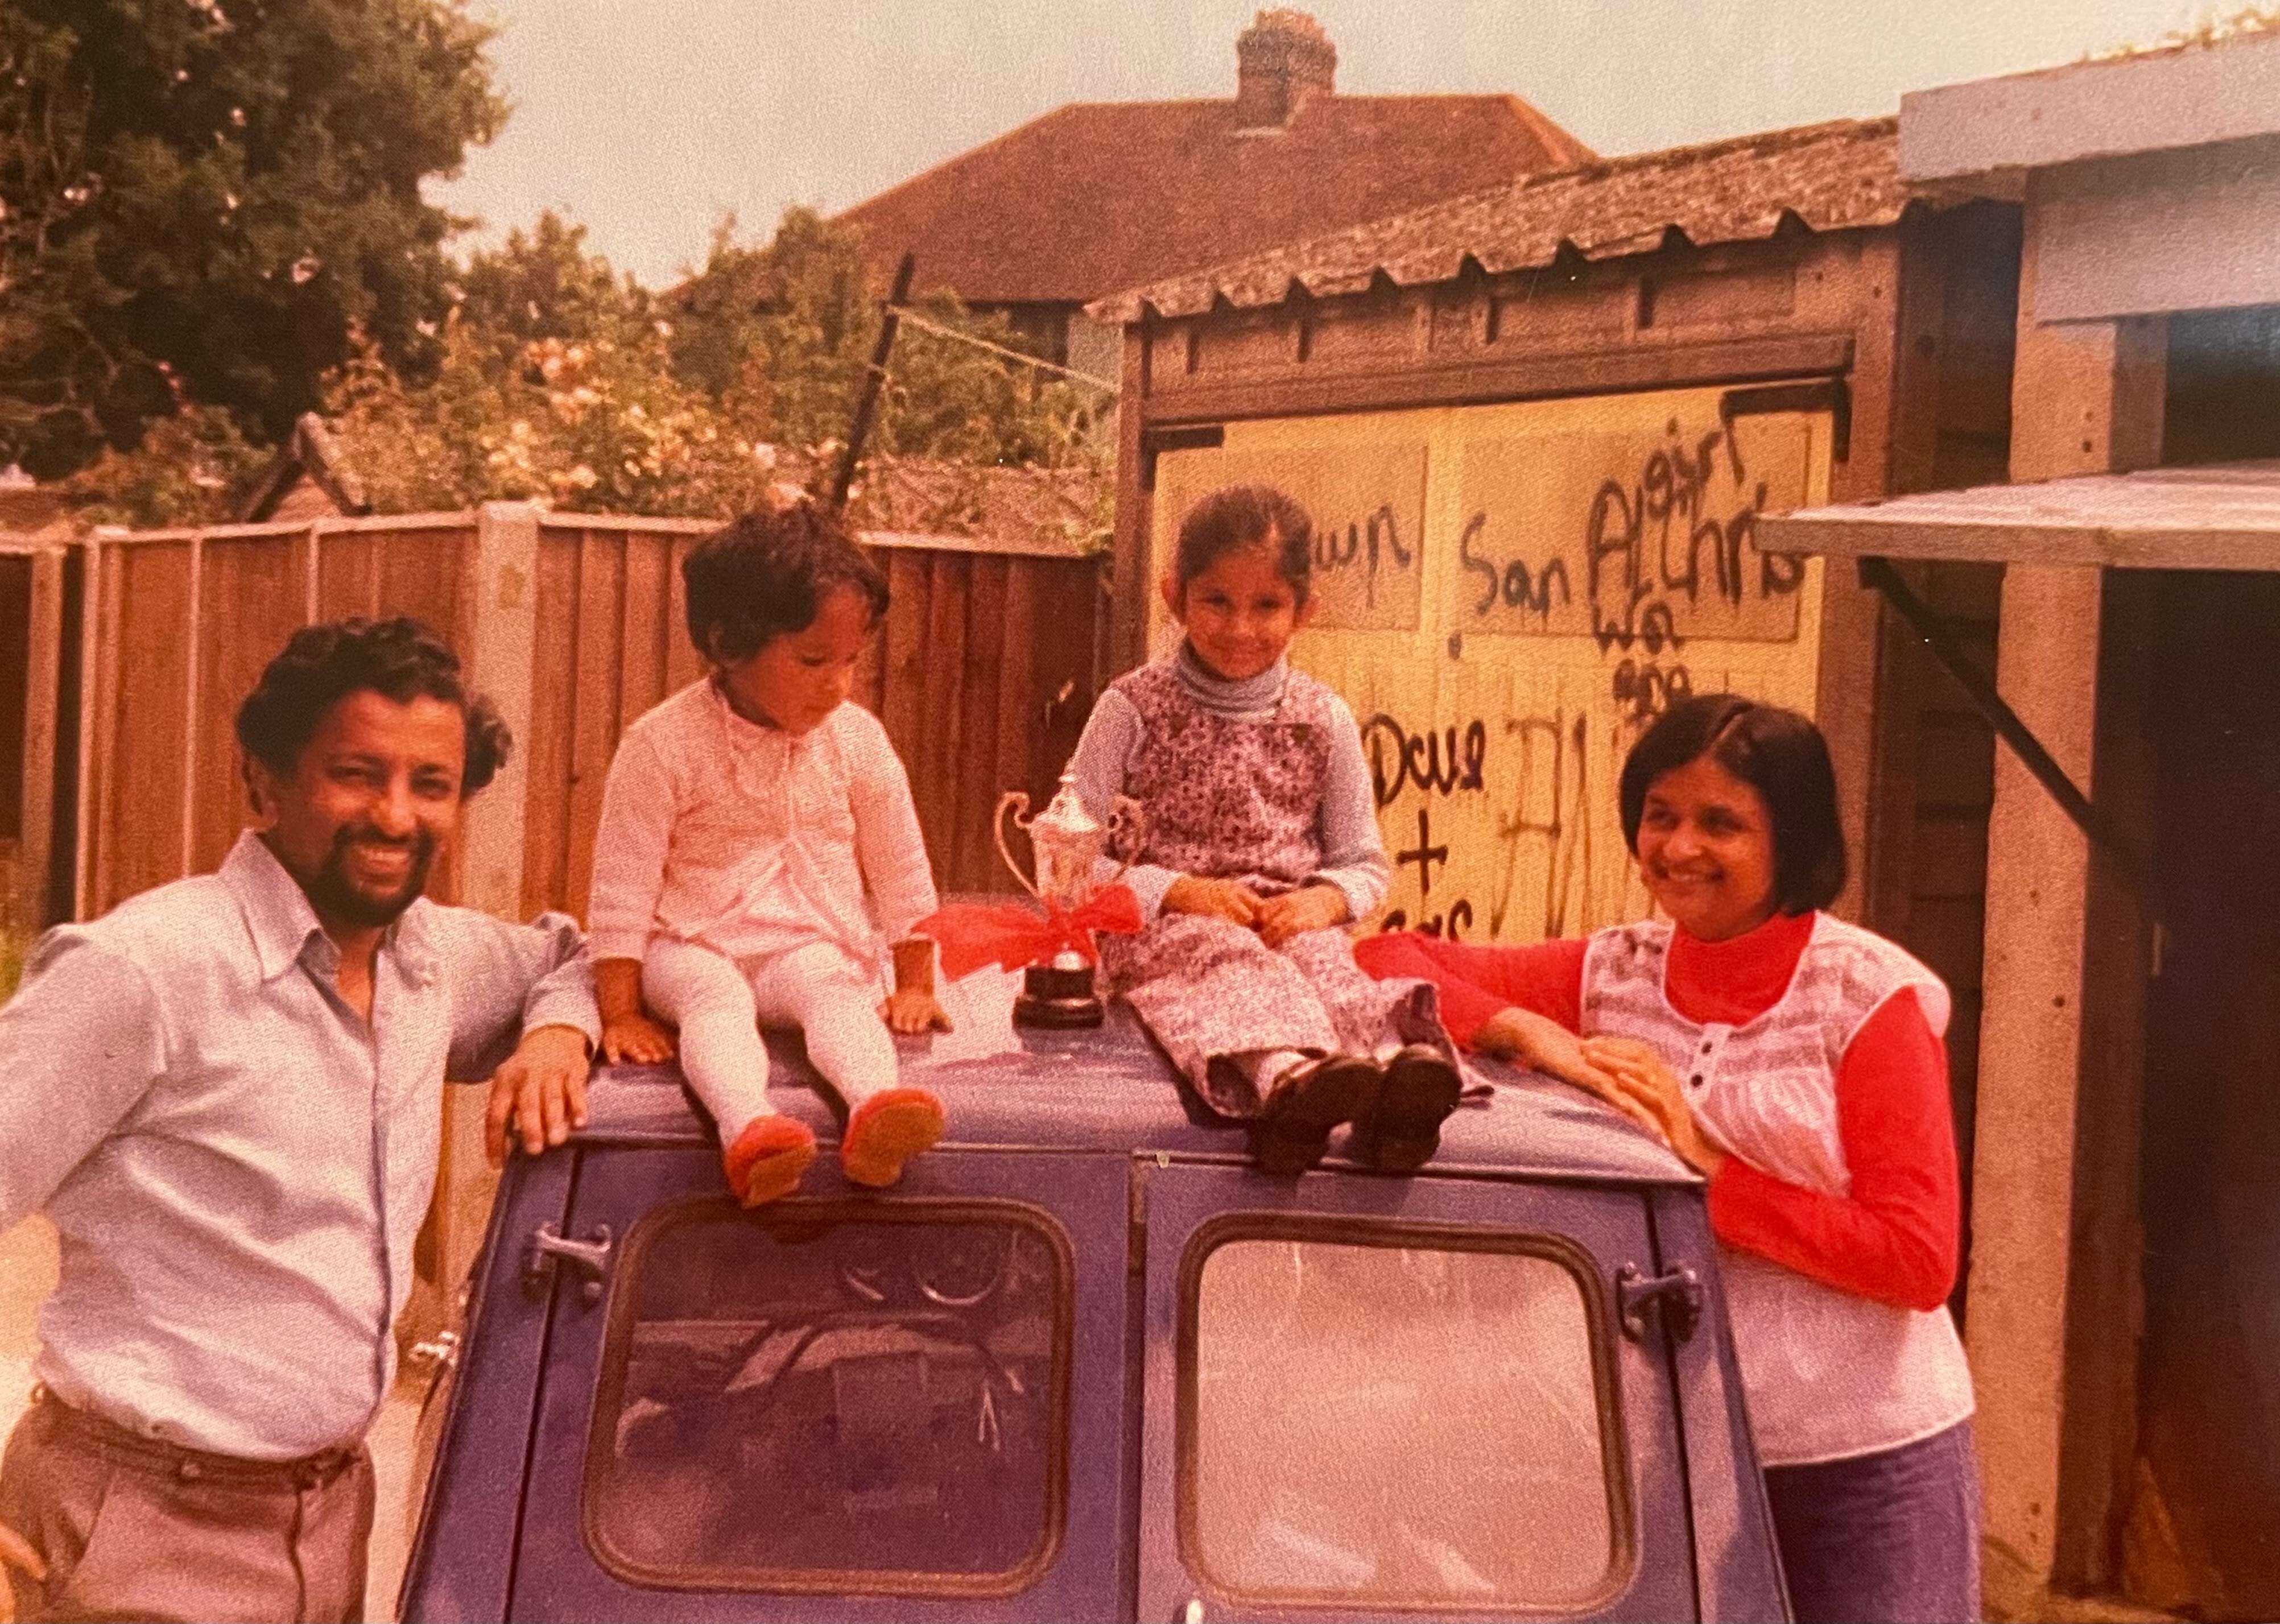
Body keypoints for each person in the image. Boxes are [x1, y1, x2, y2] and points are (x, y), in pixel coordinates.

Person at [0, 617, 599, 1624]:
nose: (395, 816)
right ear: (266, 780)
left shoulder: (432, 962)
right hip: (131, 1532)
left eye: (431, 785)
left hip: (329, 1525)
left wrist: (556, 1040)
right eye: (356, 774)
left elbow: (575, 962)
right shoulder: (144, 969)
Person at [1356, 693, 1980, 1624]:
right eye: (1660, 815)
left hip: (1864, 1464)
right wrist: (1519, 1026)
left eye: (1720, 823)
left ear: (1791, 837)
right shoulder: (1613, 972)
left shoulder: (1866, 998)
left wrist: (1709, 1174)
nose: (1679, 847)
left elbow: (1917, 1261)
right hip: (1674, 1457)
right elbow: (1380, 958)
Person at [1069, 482, 1460, 1175]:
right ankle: (1287, 1082)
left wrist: (1325, 900)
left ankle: (1396, 1087)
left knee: (1324, 963)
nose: (1240, 627)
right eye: (1217, 601)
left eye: (1267, 605)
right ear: (1175, 595)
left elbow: (1365, 862)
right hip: (1164, 932)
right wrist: (1178, 889)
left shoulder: (1324, 717)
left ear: (1305, 610)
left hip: (1286, 921)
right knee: (1229, 957)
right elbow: (1069, 860)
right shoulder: (1130, 707)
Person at [586, 497, 949, 1207]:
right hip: (690, 943)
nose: (837, 683)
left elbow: (901, 867)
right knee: (715, 1000)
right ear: (728, 644)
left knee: (836, 992)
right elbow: (622, 888)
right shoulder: (661, 744)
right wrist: (622, 1012)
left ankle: (877, 1109)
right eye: (813, 659)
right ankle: (748, 1129)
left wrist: (915, 984)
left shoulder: (858, 740)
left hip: (804, 940)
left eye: (850, 660)